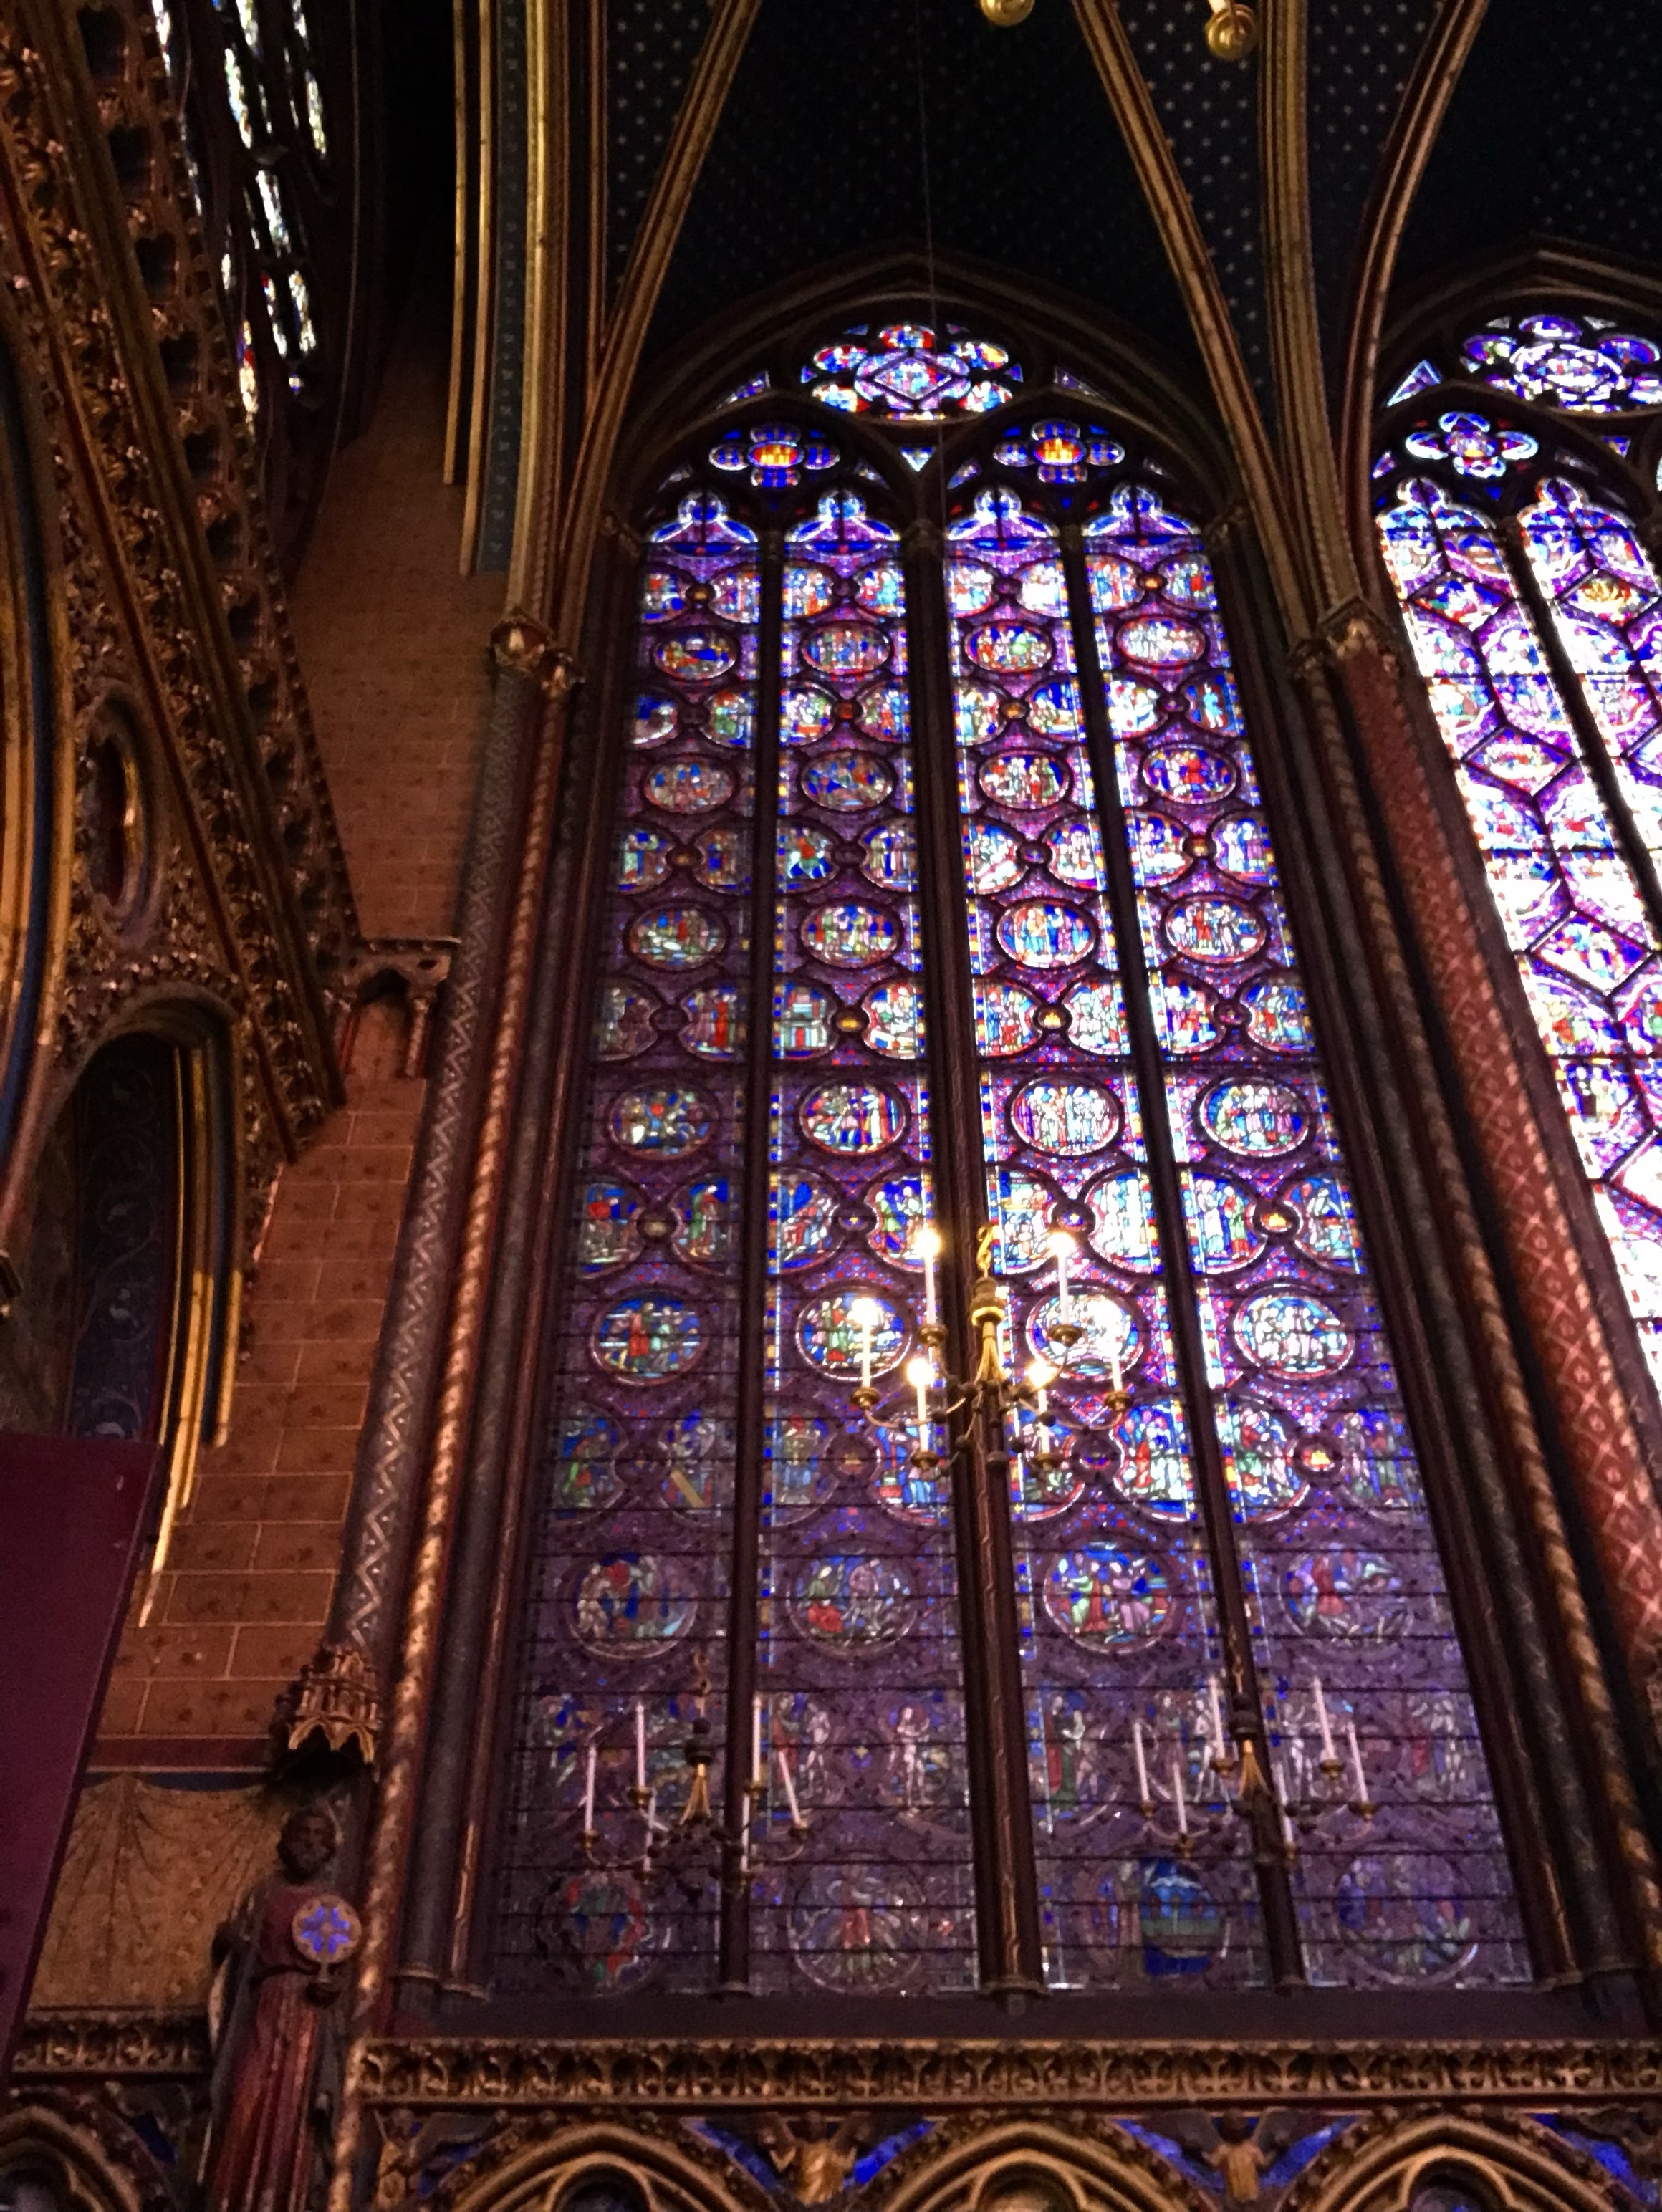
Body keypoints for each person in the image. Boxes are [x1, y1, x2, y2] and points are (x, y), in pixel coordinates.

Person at [203, 1807, 356, 2212]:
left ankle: (289, 2196)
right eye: (302, 1833)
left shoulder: (332, 1906)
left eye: (319, 1836)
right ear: (283, 1841)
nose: (310, 1843)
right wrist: (230, 1943)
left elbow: (346, 1973)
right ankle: (231, 2194)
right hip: (262, 2008)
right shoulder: (261, 1896)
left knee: (295, 2109)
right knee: (245, 2097)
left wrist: (332, 1989)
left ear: (330, 1849)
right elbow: (241, 1952)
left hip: (309, 2015)